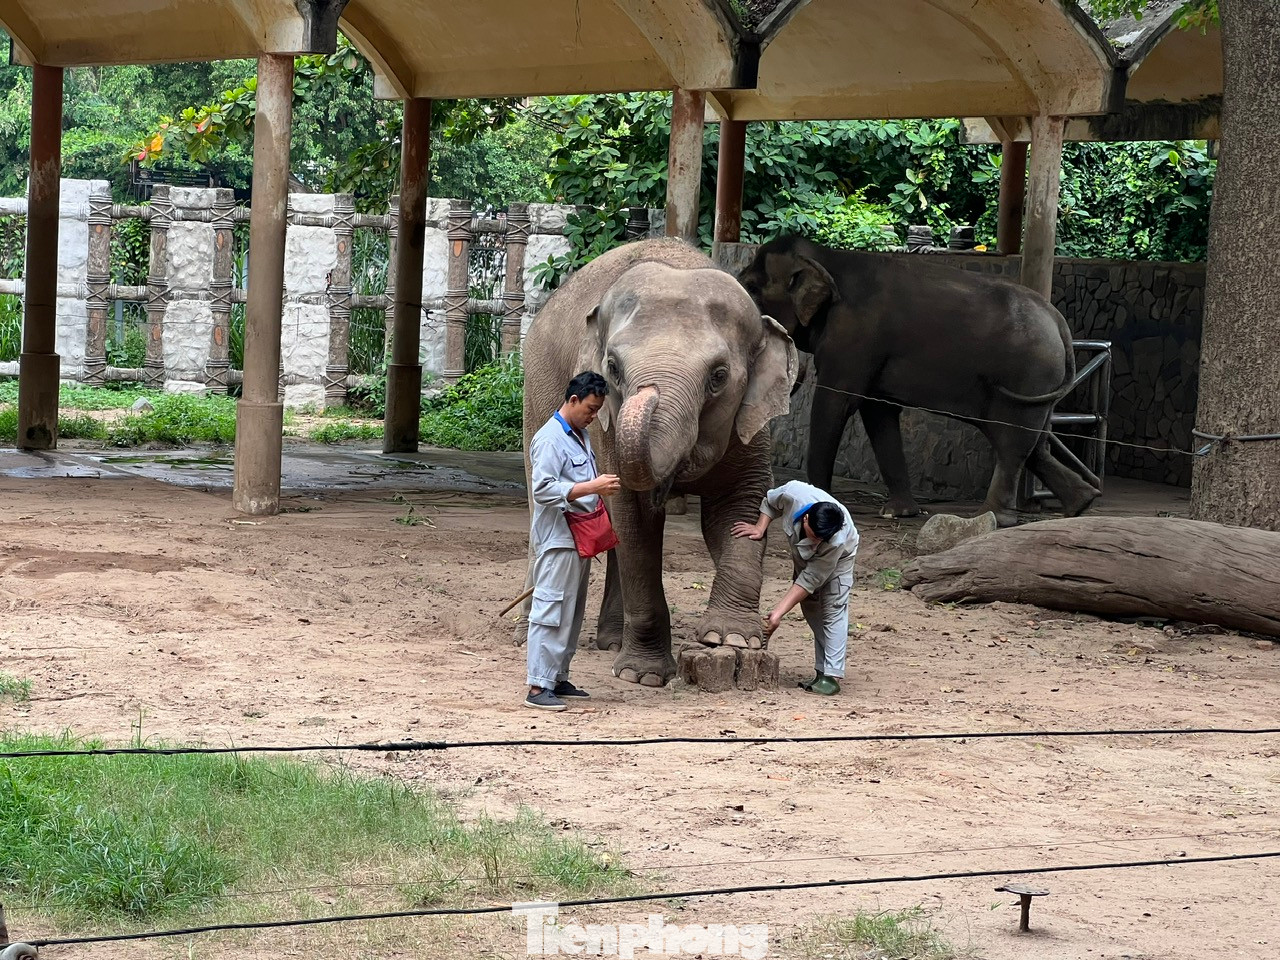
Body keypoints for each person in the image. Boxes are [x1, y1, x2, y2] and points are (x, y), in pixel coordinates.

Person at [525, 371, 621, 711]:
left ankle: (557, 677)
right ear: (573, 400)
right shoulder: (550, 439)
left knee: (572, 612)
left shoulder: (580, 435)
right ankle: (538, 686)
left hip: (578, 538)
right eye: (590, 409)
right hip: (558, 538)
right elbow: (543, 489)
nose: (593, 416)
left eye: (597, 411)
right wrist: (593, 488)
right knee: (550, 610)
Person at [731, 480, 859, 695]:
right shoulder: (793, 493)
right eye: (814, 535)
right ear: (806, 517)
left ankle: (831, 676)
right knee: (811, 607)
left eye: (822, 539)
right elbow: (771, 502)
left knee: (832, 608)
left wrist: (777, 613)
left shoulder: (836, 539)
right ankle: (823, 670)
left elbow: (810, 579)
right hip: (804, 556)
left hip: (840, 559)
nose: (817, 542)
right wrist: (760, 527)